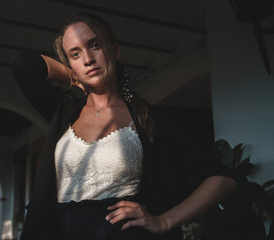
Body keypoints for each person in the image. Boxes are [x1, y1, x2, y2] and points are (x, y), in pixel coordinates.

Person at [12, 13, 237, 240]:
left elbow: (222, 179)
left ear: (115, 50)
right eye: (76, 54)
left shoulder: (149, 118)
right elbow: (24, 65)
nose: (88, 58)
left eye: (95, 45)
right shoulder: (64, 111)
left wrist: (165, 220)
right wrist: (77, 77)